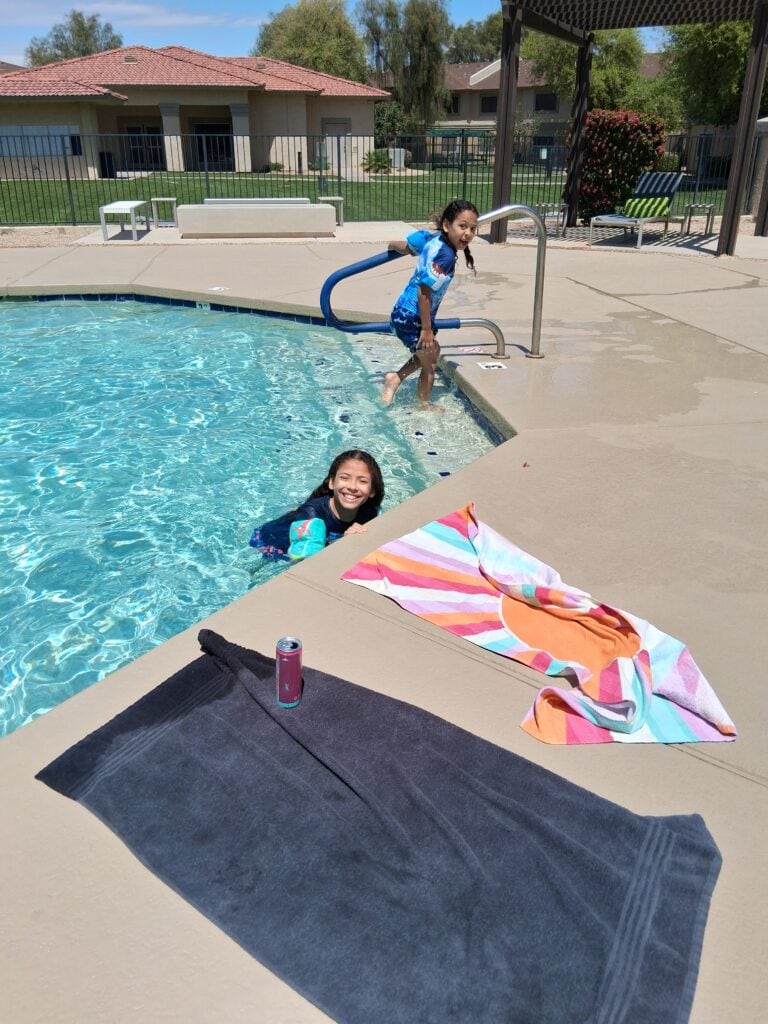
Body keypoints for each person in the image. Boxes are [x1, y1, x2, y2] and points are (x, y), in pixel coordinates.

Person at [381, 199, 479, 410]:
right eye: (462, 226)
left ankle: (395, 379)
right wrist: (426, 329)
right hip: (413, 316)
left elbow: (407, 247)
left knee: (430, 354)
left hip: (402, 312)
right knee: (431, 364)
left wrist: (390, 244)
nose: (468, 233)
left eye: (473, 228)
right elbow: (424, 292)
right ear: (446, 225)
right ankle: (424, 404)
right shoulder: (445, 256)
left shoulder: (431, 238)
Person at [249, 449, 384, 561]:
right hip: (270, 541)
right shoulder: (312, 514)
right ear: (331, 482)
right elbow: (302, 561)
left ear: (372, 490)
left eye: (362, 481)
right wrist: (342, 542)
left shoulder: (369, 512)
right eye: (344, 478)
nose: (352, 487)